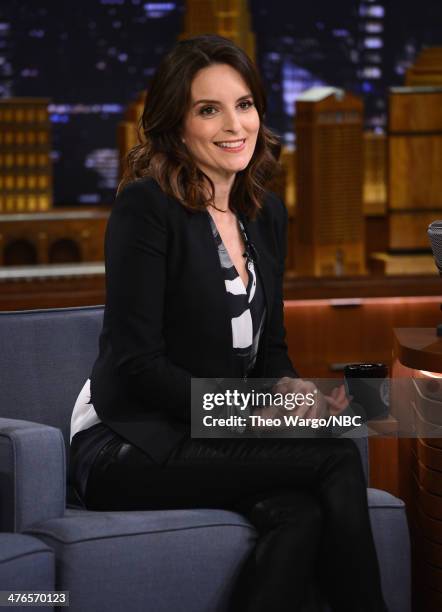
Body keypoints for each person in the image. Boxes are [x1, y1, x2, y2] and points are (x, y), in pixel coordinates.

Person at [68, 34, 389, 612]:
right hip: (128, 441)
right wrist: (245, 413)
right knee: (336, 454)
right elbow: (137, 366)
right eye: (207, 108)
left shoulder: (265, 213)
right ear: (176, 124)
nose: (232, 124)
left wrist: (288, 390)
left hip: (211, 433)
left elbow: (271, 351)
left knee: (300, 515)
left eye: (244, 104)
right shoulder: (146, 208)